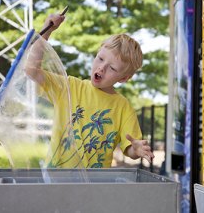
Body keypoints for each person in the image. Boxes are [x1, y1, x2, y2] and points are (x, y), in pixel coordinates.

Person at [25, 13, 154, 169]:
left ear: (124, 78)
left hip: (95, 185)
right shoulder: (69, 87)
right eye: (100, 59)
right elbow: (31, 70)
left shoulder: (123, 107)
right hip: (56, 179)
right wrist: (47, 31)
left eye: (112, 68)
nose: (102, 68)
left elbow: (130, 148)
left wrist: (136, 149)